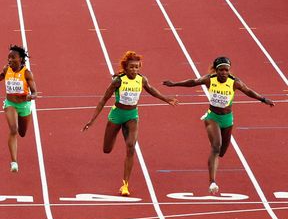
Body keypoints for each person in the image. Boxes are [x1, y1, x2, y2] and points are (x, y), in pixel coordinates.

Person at [163, 56, 275, 194]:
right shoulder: (210, 79)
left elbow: (249, 91)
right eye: (221, 70)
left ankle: (215, 165)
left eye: (226, 70)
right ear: (216, 70)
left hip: (227, 119)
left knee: (222, 151)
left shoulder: (235, 82)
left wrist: (263, 99)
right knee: (216, 147)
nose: (223, 73)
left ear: (229, 70)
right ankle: (212, 182)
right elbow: (193, 82)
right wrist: (174, 84)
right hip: (212, 117)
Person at [82, 51, 178, 196]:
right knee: (107, 149)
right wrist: (92, 120)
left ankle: (125, 185)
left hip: (132, 115)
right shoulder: (118, 81)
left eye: (137, 67)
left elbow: (152, 90)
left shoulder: (141, 79)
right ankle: (114, 136)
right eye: (131, 67)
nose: (134, 70)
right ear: (126, 68)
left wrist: (166, 99)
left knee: (131, 146)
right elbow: (103, 99)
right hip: (116, 115)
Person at [0, 45, 37, 173]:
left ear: (21, 59)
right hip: (10, 103)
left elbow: (35, 92)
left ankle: (25, 115)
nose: (10, 60)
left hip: (24, 105)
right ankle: (14, 162)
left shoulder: (27, 73)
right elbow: (2, 75)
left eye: (13, 57)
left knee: (22, 133)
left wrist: (31, 96)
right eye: (9, 57)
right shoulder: (7, 69)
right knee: (13, 129)